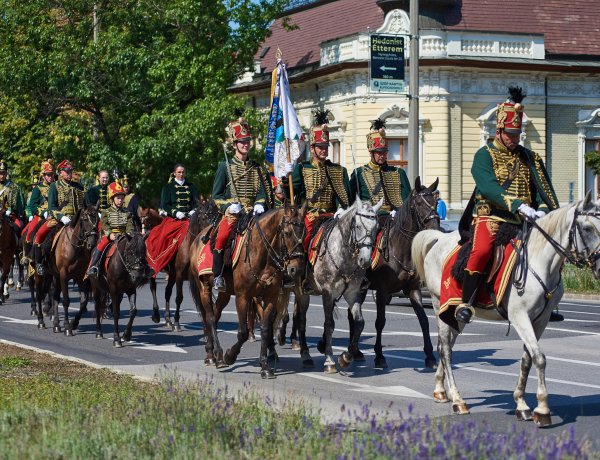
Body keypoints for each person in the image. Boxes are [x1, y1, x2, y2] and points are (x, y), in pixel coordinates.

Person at [454, 87, 559, 326]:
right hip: (492, 217)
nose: (514, 138)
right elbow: (489, 187)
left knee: (551, 251)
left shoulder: (530, 158)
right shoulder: (484, 155)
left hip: (524, 221)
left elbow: (542, 190)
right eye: (510, 133)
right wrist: (519, 205)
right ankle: (466, 302)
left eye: (517, 133)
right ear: (499, 131)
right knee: (480, 251)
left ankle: (549, 300)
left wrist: (541, 209)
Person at [281, 109, 351, 293]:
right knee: (302, 239)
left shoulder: (338, 170)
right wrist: (285, 176)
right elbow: (290, 191)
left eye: (326, 146)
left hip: (331, 215)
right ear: (312, 148)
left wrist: (341, 208)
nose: (324, 150)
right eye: (320, 146)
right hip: (310, 215)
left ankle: (354, 274)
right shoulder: (302, 168)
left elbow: (343, 195)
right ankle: (303, 275)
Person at [211, 117, 270, 292]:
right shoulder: (225, 166)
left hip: (252, 213)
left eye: (247, 141)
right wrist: (228, 207)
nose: (245, 144)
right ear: (235, 144)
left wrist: (260, 203)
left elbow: (261, 191)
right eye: (242, 142)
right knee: (221, 237)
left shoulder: (256, 167)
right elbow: (216, 195)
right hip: (233, 214)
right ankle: (218, 276)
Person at [31, 159, 86, 275]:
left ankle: (94, 266)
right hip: (60, 219)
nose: (69, 173)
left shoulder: (78, 186)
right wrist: (62, 217)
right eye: (67, 171)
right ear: (61, 173)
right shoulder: (55, 186)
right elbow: (52, 207)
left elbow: (85, 204)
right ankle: (40, 263)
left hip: (77, 220)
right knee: (41, 235)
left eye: (71, 171)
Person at [350, 118, 411, 219]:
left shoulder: (399, 172)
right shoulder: (359, 173)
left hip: (395, 218)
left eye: (384, 152)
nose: (382, 155)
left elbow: (407, 199)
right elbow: (351, 200)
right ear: (371, 152)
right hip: (369, 218)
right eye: (379, 152)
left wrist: (399, 211)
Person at [87, 181, 135, 278]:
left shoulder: (127, 212)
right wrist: (109, 234)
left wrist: (130, 232)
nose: (120, 200)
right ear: (112, 199)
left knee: (138, 245)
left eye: (122, 198)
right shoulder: (106, 212)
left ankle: (145, 266)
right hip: (111, 236)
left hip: (125, 236)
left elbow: (130, 225)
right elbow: (105, 225)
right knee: (101, 245)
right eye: (118, 198)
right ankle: (93, 266)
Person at [23, 160, 55, 260]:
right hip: (41, 215)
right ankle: (28, 257)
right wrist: (43, 213)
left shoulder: (57, 187)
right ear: (43, 175)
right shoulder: (38, 188)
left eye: (52, 175)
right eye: (48, 175)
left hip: (55, 215)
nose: (50, 177)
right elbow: (32, 205)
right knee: (29, 233)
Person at [0, 160, 26, 234]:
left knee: (19, 228)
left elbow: (20, 204)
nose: (2, 176)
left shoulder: (14, 186)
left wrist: (11, 210)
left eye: (3, 173)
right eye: (0, 173)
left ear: (6, 173)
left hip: (10, 215)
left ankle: (18, 245)